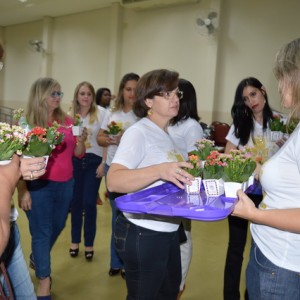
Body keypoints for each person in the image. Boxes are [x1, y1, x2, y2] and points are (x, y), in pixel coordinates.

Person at [107, 69, 195, 299]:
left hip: (168, 230)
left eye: (176, 93)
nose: (174, 98)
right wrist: (160, 170)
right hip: (143, 233)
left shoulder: (167, 135)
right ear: (148, 100)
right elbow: (113, 180)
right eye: (166, 94)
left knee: (169, 290)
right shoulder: (139, 133)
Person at [231, 38, 300, 300]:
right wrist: (259, 167)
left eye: (283, 76)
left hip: (282, 266)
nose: (279, 85)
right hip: (268, 252)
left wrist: (255, 214)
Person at [17, 77, 87, 300]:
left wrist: (81, 140)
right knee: (42, 232)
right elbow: (17, 159)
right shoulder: (27, 123)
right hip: (37, 186)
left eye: (59, 94)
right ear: (40, 95)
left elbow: (78, 153)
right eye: (53, 93)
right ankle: (44, 280)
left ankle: (38, 259)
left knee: (57, 225)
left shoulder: (67, 121)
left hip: (66, 184)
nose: (57, 98)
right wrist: (22, 190)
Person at [223, 77, 282, 300]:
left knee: (261, 250)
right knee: (235, 249)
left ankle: (252, 295)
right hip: (242, 195)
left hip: (272, 197)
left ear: (263, 91)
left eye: (254, 95)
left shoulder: (282, 121)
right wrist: (243, 157)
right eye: (245, 99)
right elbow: (227, 156)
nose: (251, 102)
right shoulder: (240, 125)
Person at [97, 72, 140, 278]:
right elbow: (100, 138)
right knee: (117, 217)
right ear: (122, 90)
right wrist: (111, 140)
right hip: (112, 169)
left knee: (131, 217)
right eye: (128, 89)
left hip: (134, 171)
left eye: (135, 89)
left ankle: (128, 262)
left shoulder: (143, 115)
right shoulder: (111, 114)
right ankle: (116, 261)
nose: (132, 93)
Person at [168, 78, 203, 299]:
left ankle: (178, 285)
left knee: (183, 237)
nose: (172, 98)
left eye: (176, 94)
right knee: (170, 236)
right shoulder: (170, 122)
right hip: (165, 188)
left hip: (181, 189)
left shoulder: (192, 126)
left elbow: (196, 162)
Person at [69, 81, 106, 260]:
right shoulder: (70, 115)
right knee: (75, 203)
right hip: (75, 161)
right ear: (77, 96)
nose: (85, 97)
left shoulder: (102, 113)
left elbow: (106, 139)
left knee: (89, 202)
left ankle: (89, 243)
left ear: (93, 96)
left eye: (89, 94)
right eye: (82, 93)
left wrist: (104, 163)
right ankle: (75, 241)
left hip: (94, 161)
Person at [95, 87, 113, 204]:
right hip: (96, 148)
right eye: (105, 95)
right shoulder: (96, 110)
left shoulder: (110, 111)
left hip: (105, 150)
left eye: (109, 95)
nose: (108, 97)